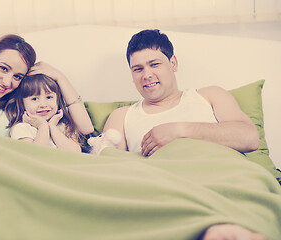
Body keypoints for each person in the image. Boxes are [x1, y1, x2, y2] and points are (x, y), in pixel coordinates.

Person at [102, 29, 263, 240]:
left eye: (154, 64)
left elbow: (249, 137)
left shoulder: (209, 95)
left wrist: (180, 130)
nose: (146, 74)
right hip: (163, 192)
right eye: (137, 69)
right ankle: (216, 227)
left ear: (173, 63)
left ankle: (224, 225)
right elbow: (107, 171)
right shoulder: (122, 116)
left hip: (220, 178)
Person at [6, 73, 83, 152]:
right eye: (35, 99)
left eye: (49, 97)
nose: (43, 104)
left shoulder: (64, 126)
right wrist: (43, 126)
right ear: (22, 104)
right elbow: (37, 154)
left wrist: (52, 126)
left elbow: (75, 153)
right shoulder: (22, 128)